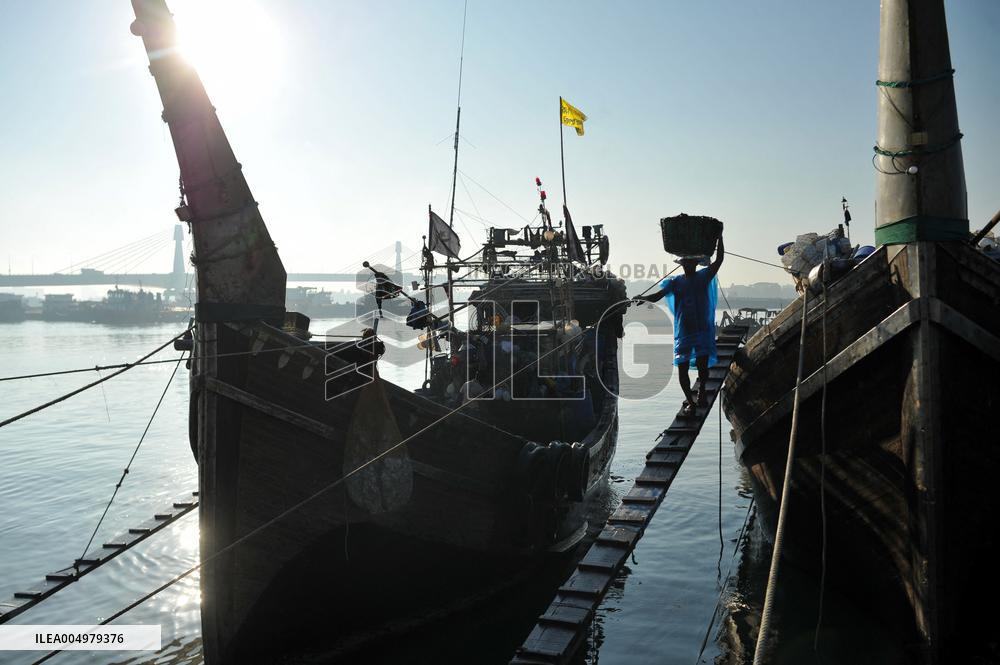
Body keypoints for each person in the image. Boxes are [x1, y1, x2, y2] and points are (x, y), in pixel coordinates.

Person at [635, 236, 724, 415]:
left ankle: (701, 391)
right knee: (682, 368)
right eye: (685, 262)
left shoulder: (704, 276)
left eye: (690, 262)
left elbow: (720, 259)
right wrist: (643, 298)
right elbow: (659, 295)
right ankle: (690, 401)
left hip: (702, 329)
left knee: (703, 366)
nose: (687, 265)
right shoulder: (675, 282)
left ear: (695, 264)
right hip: (684, 331)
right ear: (681, 264)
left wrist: (720, 237)